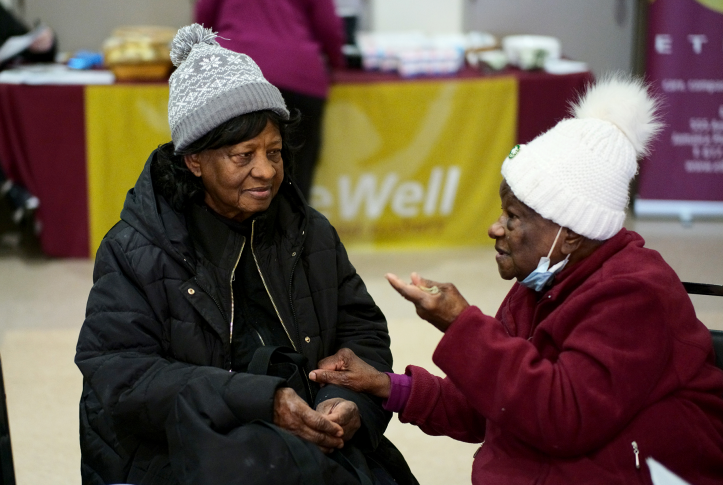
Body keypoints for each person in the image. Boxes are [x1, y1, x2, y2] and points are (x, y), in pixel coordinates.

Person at [309, 75, 723, 484]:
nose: (495, 228)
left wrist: (462, 324)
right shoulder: (541, 282)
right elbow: (497, 402)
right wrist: (385, 385)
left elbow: (561, 416)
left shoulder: (635, 294)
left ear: (572, 233)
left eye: (514, 217)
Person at [75, 24, 416, 485]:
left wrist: (345, 399)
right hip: (178, 454)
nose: (265, 171)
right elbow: (122, 376)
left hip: (305, 442)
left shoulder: (308, 231)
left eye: (274, 152)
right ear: (194, 160)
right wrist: (262, 400)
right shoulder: (136, 249)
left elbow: (362, 329)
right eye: (243, 155)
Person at [194, 0, 344, 201]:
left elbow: (204, 17)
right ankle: (292, 231)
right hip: (297, 73)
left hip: (233, 73)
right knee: (295, 178)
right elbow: (328, 26)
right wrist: (338, 63)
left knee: (230, 173)